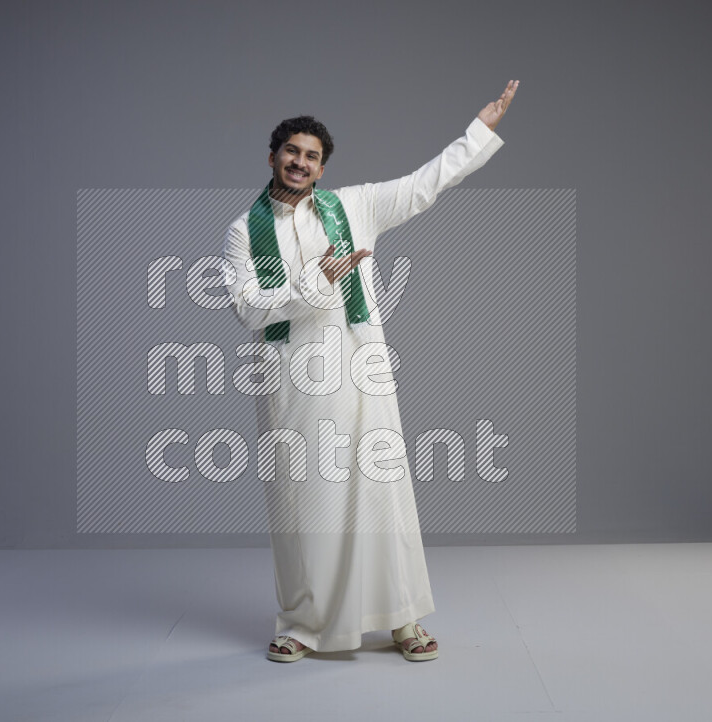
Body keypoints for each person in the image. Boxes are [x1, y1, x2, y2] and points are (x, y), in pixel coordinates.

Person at [221, 80, 519, 662]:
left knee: (382, 494)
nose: (300, 162)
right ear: (272, 156)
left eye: (311, 156)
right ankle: (303, 623)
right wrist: (315, 283)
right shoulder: (242, 231)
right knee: (302, 503)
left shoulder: (354, 207)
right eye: (291, 152)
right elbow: (248, 309)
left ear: (322, 168)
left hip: (360, 366)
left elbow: (425, 184)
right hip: (292, 379)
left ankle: (401, 618)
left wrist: (479, 131)